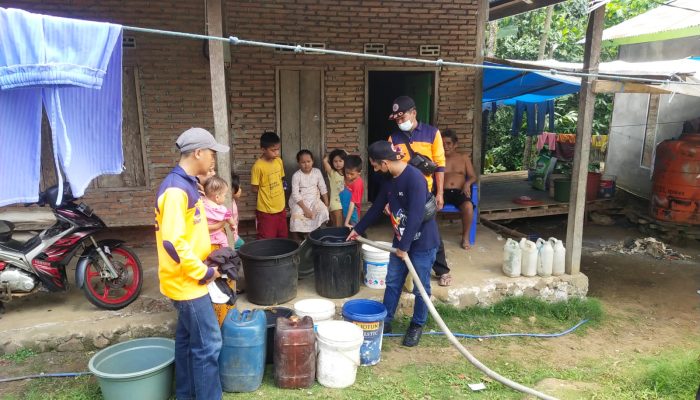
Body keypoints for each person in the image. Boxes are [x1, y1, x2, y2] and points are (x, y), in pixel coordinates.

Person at [155, 127, 228, 400]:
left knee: (187, 343)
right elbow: (173, 242)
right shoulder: (176, 190)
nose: (213, 159)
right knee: (209, 343)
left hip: (186, 278)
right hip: (188, 282)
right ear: (198, 152)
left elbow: (188, 232)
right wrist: (204, 272)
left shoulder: (186, 184)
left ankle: (186, 394)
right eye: (211, 153)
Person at [347, 141, 439, 347]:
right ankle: (386, 321)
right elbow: (377, 206)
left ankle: (417, 324)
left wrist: (404, 247)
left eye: (376, 165)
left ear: (386, 162)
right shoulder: (389, 180)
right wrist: (358, 229)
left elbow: (416, 216)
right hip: (401, 240)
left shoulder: (414, 178)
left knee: (420, 288)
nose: (375, 169)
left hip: (422, 242)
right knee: (393, 282)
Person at [387, 95, 452, 286]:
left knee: (429, 232)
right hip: (401, 195)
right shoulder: (394, 138)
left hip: (425, 195)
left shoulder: (432, 133)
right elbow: (390, 169)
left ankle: (442, 270)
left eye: (403, 117)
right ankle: (405, 272)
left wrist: (440, 194)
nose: (400, 122)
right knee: (403, 232)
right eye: (397, 119)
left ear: (414, 113)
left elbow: (440, 165)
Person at [442, 129, 477, 249]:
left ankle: (465, 237)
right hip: (442, 192)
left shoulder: (464, 158)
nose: (445, 146)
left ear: (455, 144)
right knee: (430, 208)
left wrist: (467, 184)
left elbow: (473, 176)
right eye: (443, 144)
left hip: (460, 191)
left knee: (468, 207)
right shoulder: (438, 158)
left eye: (448, 143)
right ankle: (431, 238)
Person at [251, 131, 287, 239]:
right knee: (267, 239)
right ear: (263, 149)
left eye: (277, 149)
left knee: (282, 237)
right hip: (266, 211)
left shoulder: (279, 161)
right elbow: (254, 188)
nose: (276, 153)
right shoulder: (258, 166)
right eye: (273, 150)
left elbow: (281, 179)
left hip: (281, 207)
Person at [289, 149, 329, 240]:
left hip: (314, 198)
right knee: (295, 216)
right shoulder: (296, 175)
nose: (306, 164)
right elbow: (295, 194)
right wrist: (305, 209)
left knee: (323, 211)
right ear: (298, 163)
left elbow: (323, 187)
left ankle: (318, 236)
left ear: (312, 161)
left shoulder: (317, 172)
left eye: (308, 161)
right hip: (300, 201)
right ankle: (297, 241)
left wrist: (326, 203)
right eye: (303, 162)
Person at [202, 175, 237, 251]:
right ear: (217, 197)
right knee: (225, 248)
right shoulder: (220, 209)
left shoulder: (201, 203)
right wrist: (233, 225)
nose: (225, 197)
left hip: (204, 239)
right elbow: (229, 217)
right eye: (224, 195)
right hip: (217, 238)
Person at [323, 149, 347, 227]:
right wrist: (333, 152)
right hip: (336, 203)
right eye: (335, 161)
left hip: (346, 201)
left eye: (340, 161)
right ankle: (337, 237)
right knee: (338, 225)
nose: (338, 163)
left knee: (346, 224)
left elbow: (353, 159)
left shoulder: (349, 173)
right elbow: (325, 161)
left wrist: (345, 152)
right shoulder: (332, 173)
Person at [340, 155, 364, 228]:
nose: (349, 176)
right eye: (347, 173)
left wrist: (346, 222)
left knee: (354, 232)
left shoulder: (357, 184)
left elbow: (352, 204)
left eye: (352, 174)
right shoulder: (348, 177)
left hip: (353, 214)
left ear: (359, 172)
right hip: (345, 210)